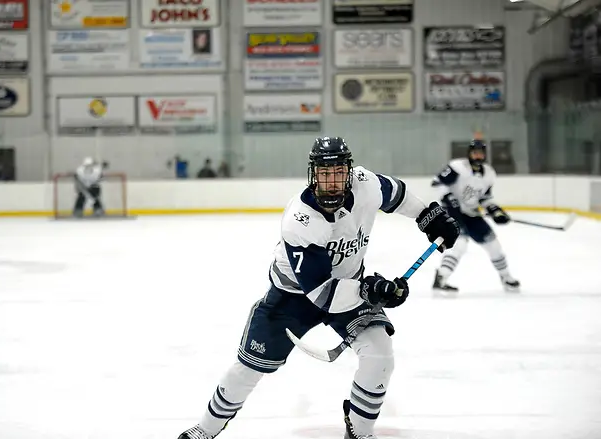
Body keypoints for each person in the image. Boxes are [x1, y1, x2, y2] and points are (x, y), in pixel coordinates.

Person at [177, 137, 460, 439]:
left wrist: (427, 214)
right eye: (325, 174)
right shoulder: (300, 220)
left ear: (349, 172)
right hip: (292, 298)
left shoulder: (366, 184)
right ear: (314, 174)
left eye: (339, 173)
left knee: (380, 354)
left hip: (350, 286)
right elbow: (322, 294)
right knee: (248, 368)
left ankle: (360, 431)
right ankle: (205, 430)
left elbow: (397, 194)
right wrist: (372, 289)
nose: (333, 181)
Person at [431, 139, 520, 293]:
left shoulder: (489, 173)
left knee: (493, 245)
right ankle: (441, 278)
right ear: (469, 154)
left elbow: (485, 198)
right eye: (474, 152)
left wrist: (495, 211)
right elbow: (437, 183)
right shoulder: (458, 167)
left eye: (480, 153)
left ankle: (506, 277)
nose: (477, 155)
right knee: (459, 245)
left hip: (471, 213)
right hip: (452, 214)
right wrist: (450, 199)